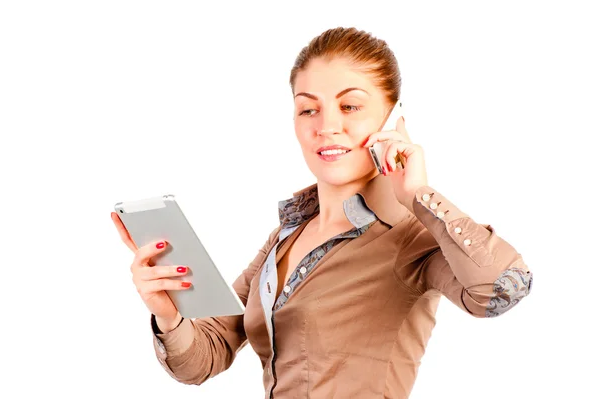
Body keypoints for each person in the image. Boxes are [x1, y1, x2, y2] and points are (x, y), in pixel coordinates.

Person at [111, 27, 533, 398]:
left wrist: (418, 193)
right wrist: (167, 313)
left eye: (350, 107)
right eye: (308, 108)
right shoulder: (286, 236)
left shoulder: (411, 237)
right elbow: (204, 358)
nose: (326, 125)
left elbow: (503, 290)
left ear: (393, 120)